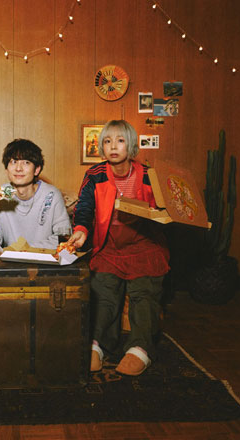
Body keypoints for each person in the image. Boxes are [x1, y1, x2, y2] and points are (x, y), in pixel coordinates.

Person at [68, 120, 169, 376]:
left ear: (131, 144)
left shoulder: (149, 174)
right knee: (103, 293)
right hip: (109, 246)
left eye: (120, 140)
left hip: (144, 245)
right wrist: (81, 231)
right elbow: (84, 208)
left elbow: (164, 210)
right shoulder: (94, 174)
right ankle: (98, 344)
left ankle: (140, 348)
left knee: (143, 295)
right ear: (101, 147)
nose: (113, 146)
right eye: (107, 141)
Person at [0, 138, 71, 249]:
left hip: (42, 257)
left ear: (36, 169)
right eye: (14, 162)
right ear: (6, 169)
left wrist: (25, 251)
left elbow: (64, 237)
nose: (18, 168)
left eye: (26, 162)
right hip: (8, 258)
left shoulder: (51, 195)